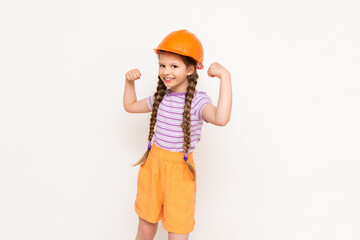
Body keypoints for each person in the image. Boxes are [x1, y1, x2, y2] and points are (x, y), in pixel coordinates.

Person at [123, 29, 232, 240]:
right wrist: (129, 83)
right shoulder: (160, 97)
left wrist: (225, 77)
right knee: (145, 227)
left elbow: (221, 118)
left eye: (174, 66)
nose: (166, 71)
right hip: (153, 165)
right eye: (162, 65)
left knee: (178, 233)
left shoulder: (198, 101)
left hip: (179, 172)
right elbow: (130, 105)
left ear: (190, 69)